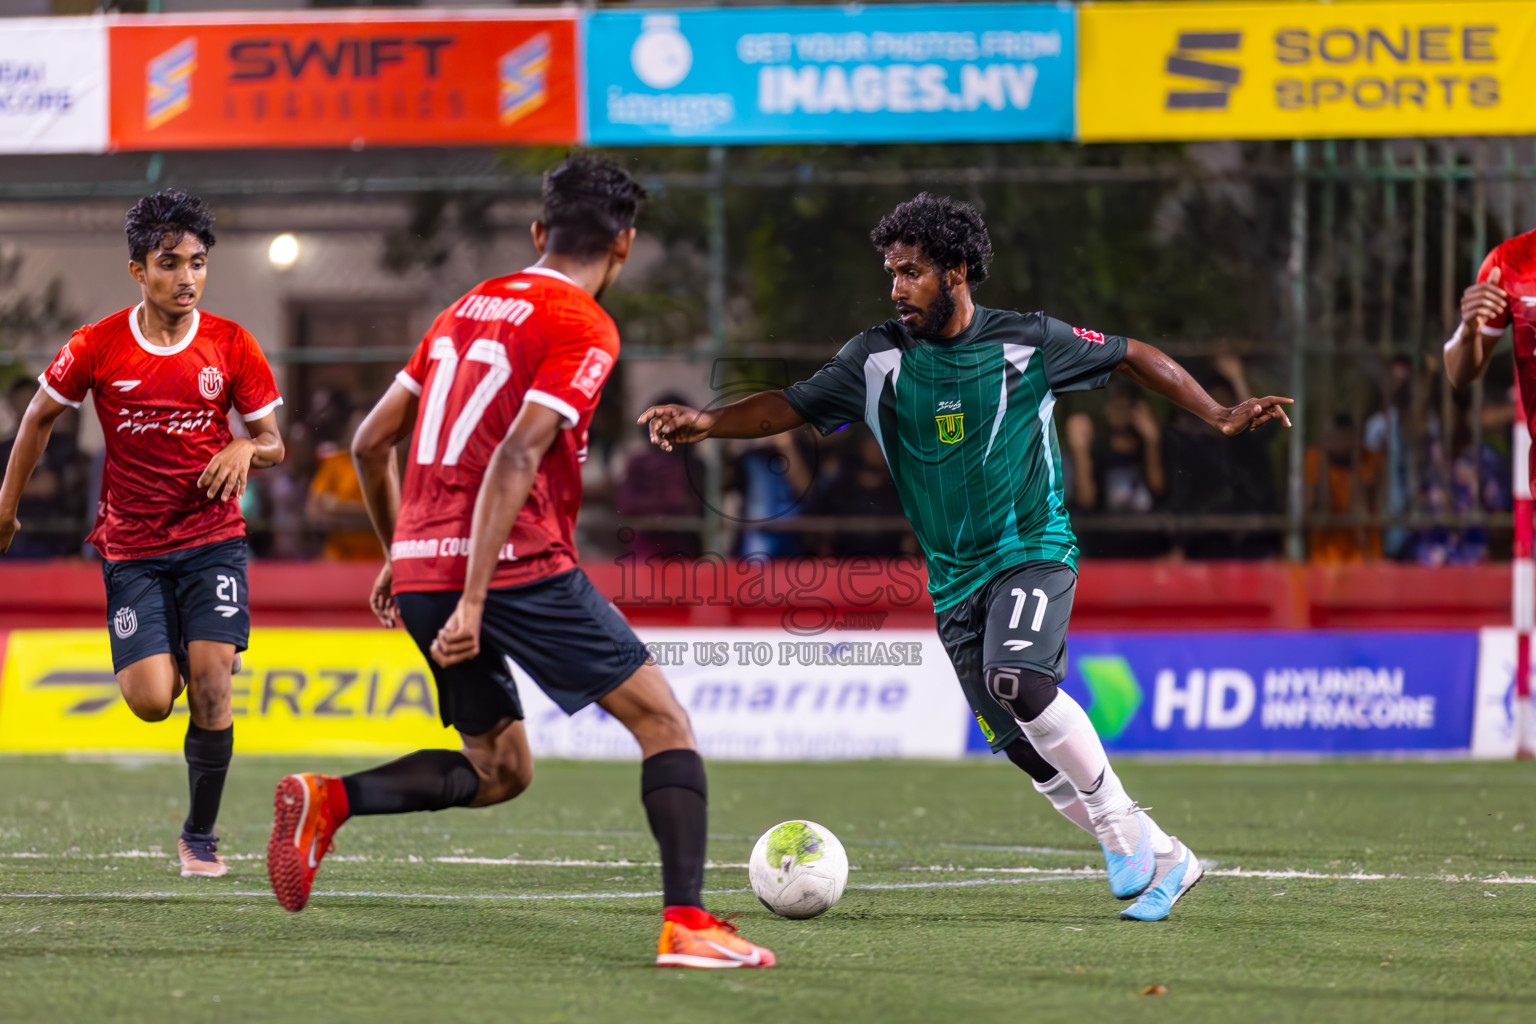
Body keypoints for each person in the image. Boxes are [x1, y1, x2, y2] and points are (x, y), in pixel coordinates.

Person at [641, 193, 1293, 922]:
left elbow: (1134, 353)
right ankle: (1169, 857)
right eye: (891, 272)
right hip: (953, 586)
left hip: (1031, 552)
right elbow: (788, 405)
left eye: (912, 272)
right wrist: (705, 422)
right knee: (1026, 753)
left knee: (1016, 676)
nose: (896, 288)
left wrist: (1217, 412)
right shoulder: (875, 358)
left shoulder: (1029, 340)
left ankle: (1117, 825)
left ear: (957, 271)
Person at [265, 154, 774, 970]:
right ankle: (688, 923)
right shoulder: (584, 326)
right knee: (663, 723)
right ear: (625, 246)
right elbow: (515, 455)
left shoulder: (461, 309)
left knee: (499, 768)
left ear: (538, 233)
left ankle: (331, 800)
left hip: (428, 567)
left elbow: (370, 443)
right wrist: (473, 597)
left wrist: (408, 552)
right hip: (513, 567)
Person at [0, 189, 285, 877]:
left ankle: (200, 836)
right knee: (153, 702)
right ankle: (186, 651)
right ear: (138, 271)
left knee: (214, 684)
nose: (186, 276)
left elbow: (274, 442)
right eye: (169, 263)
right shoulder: (97, 346)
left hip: (213, 536)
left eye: (197, 262)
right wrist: (6, 509)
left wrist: (246, 449)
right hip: (131, 548)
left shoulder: (231, 344)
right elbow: (38, 419)